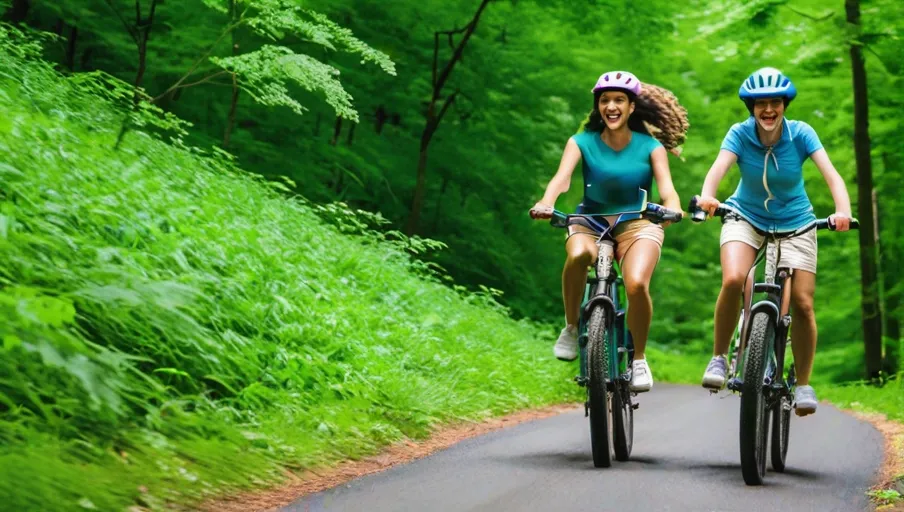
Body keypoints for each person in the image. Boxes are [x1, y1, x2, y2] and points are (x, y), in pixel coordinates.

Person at [695, 67, 853, 415]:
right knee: (735, 278)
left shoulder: (801, 134)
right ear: (751, 107)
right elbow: (719, 169)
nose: (768, 110)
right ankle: (719, 357)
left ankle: (804, 383)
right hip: (745, 215)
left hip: (796, 221)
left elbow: (832, 175)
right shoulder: (739, 134)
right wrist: (708, 197)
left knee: (803, 303)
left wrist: (842, 210)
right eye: (760, 103)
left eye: (775, 103)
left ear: (785, 104)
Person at [529, 70, 688, 392]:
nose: (611, 106)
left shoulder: (650, 146)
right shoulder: (581, 142)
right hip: (590, 220)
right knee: (578, 256)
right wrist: (547, 202)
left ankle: (639, 359)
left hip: (638, 222)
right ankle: (572, 327)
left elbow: (668, 190)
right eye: (605, 100)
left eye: (619, 100)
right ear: (597, 106)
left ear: (631, 107)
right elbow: (562, 179)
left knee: (637, 283)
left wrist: (673, 209)